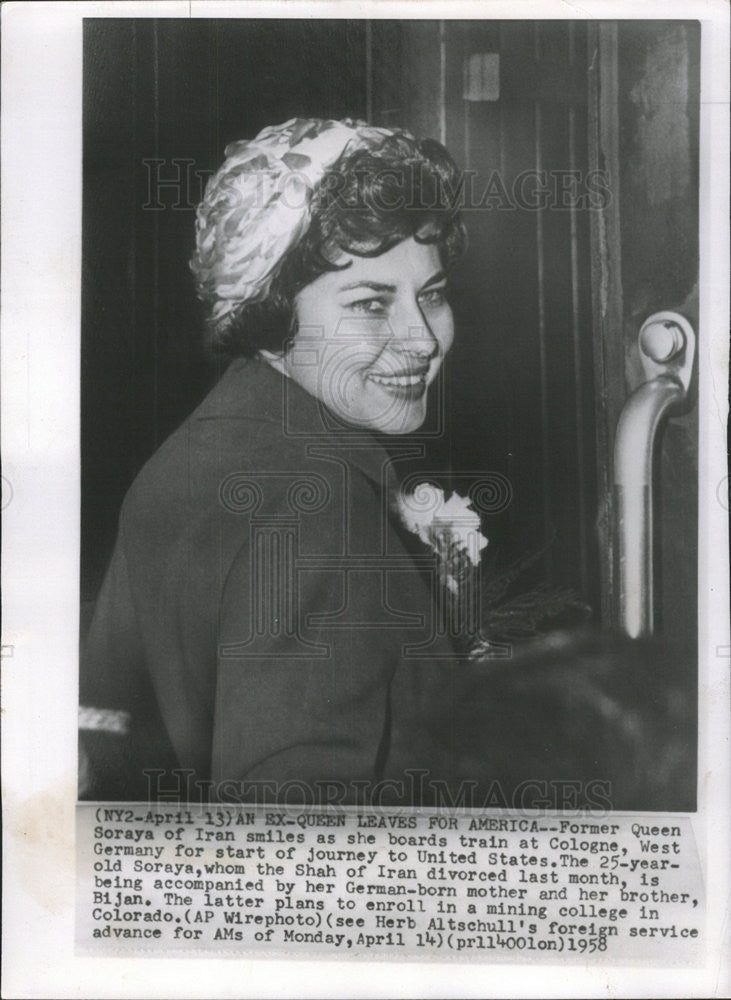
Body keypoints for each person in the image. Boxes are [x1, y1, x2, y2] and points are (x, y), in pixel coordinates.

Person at [79, 117, 694, 810]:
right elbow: (298, 841)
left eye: (431, 294)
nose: (423, 338)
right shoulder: (313, 508)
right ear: (269, 316)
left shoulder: (204, 450)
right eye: (372, 304)